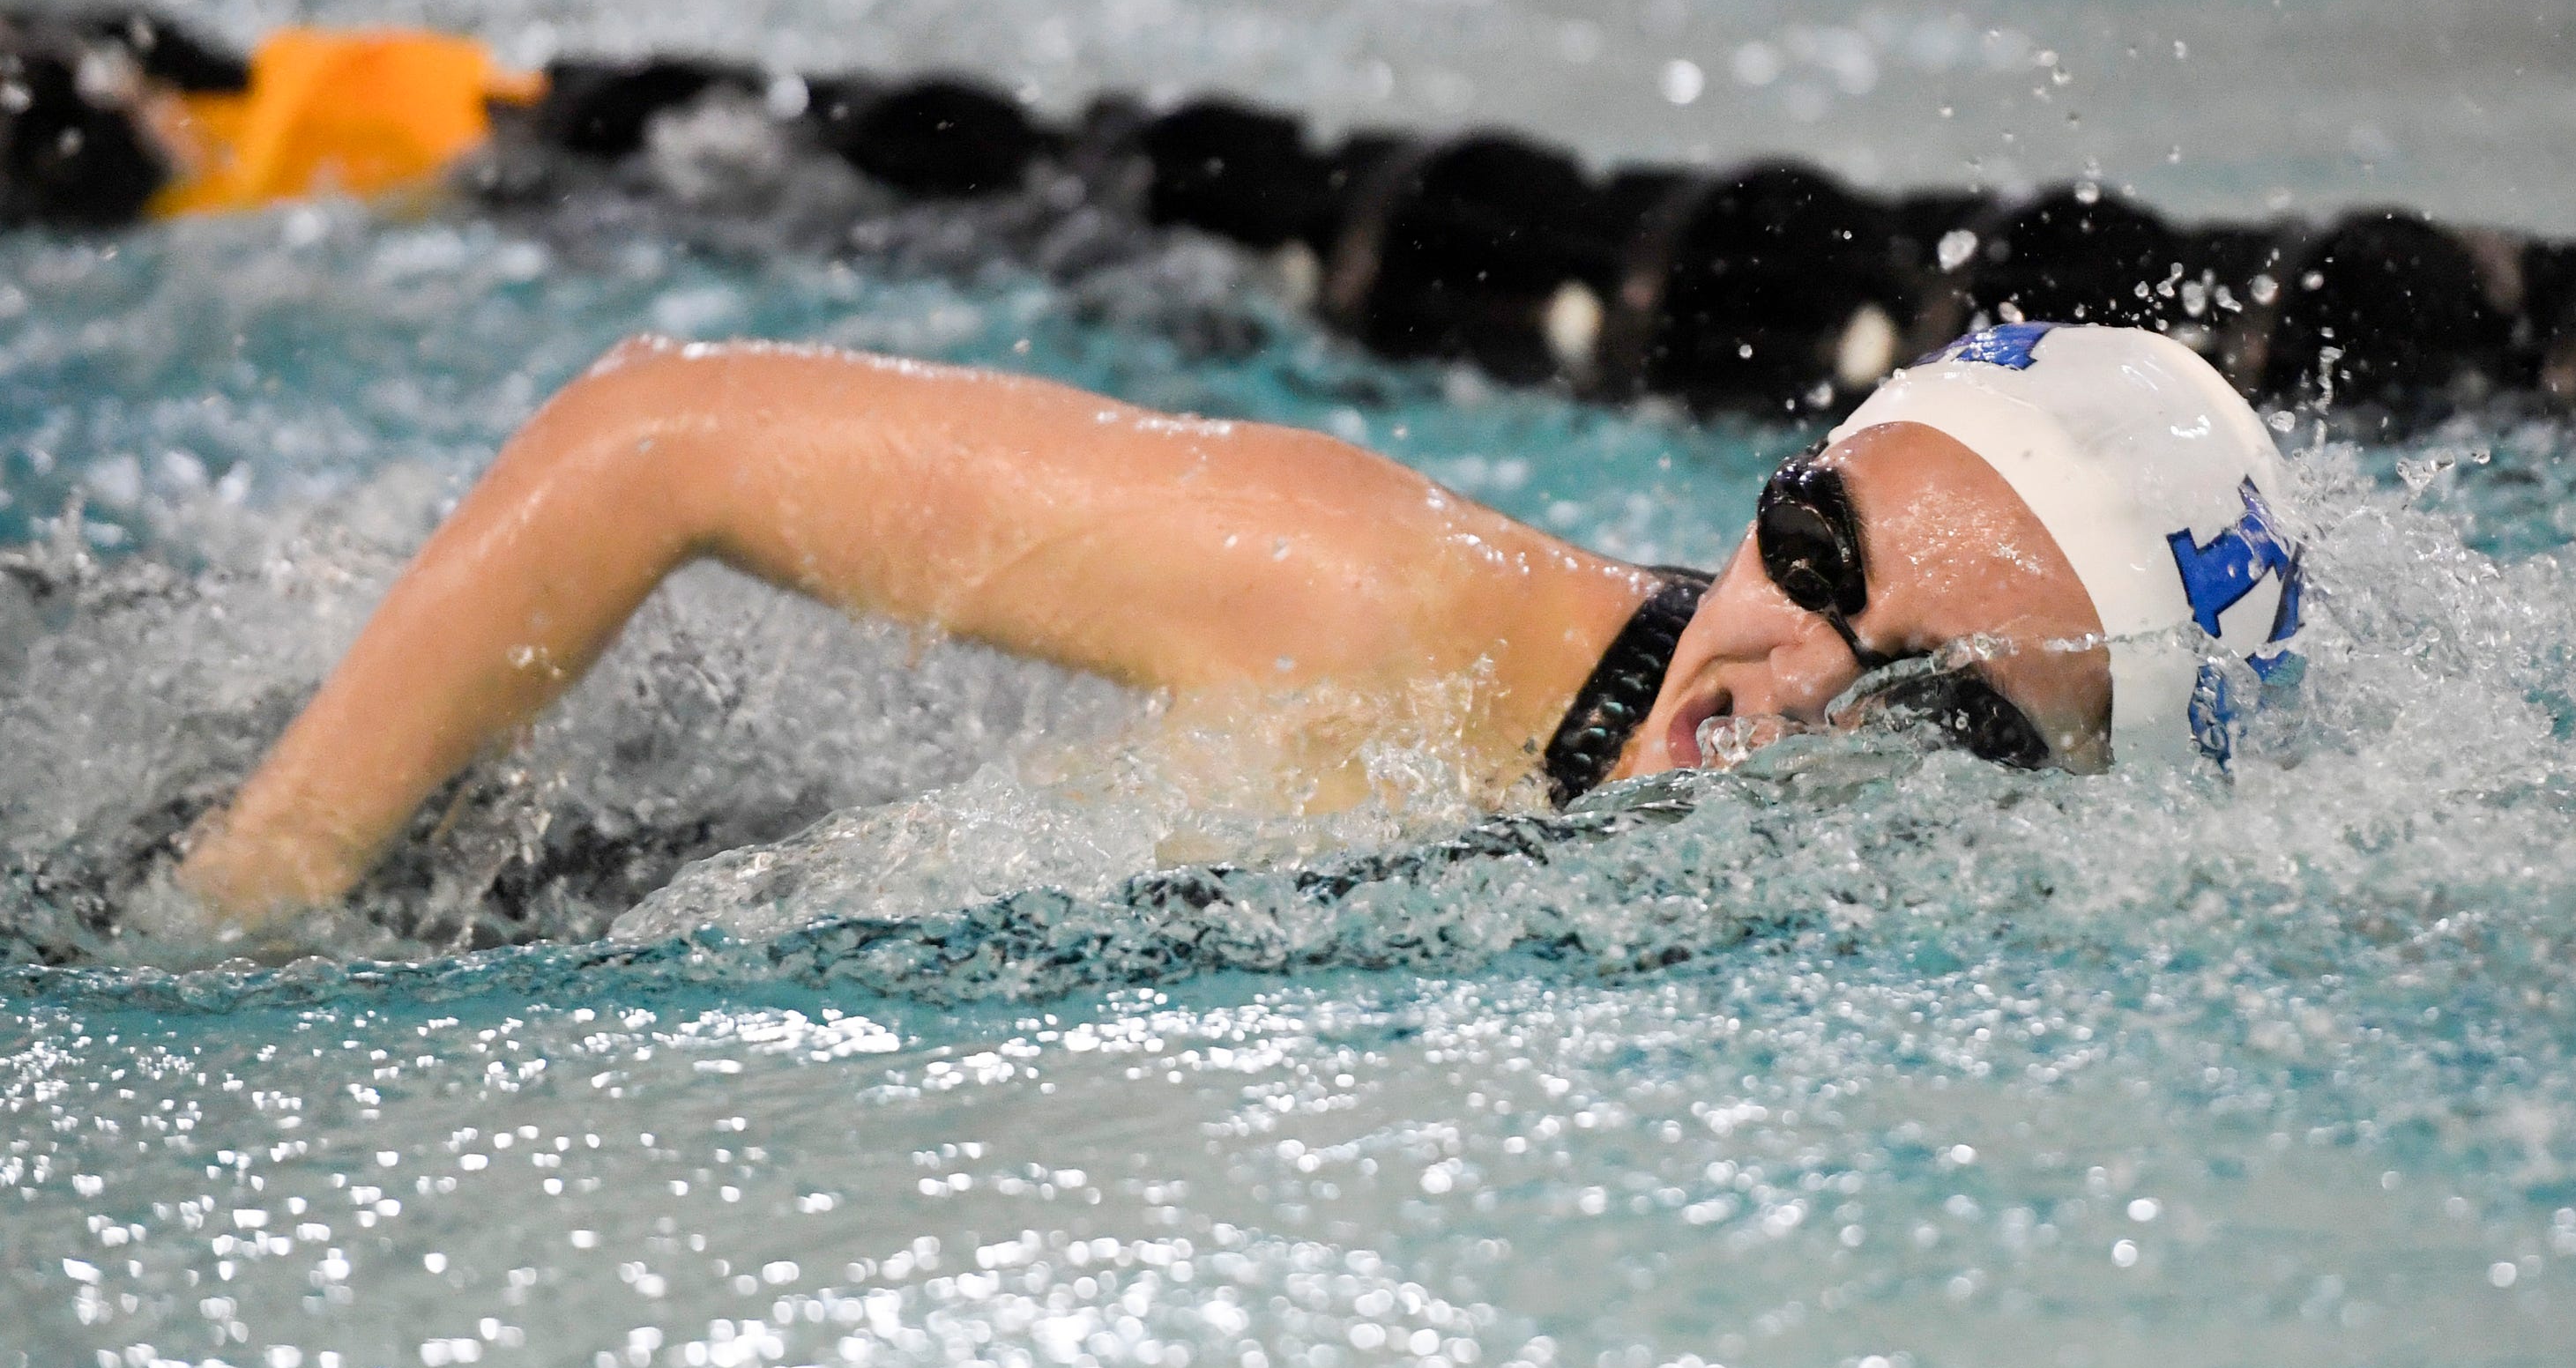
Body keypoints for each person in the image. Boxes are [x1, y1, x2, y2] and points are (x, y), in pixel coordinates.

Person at [172, 320, 2304, 929]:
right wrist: (248, 901)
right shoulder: (1386, 619)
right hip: (500, 854)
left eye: (1945, 713)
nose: (1797, 684)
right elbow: (651, 436)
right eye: (1816, 559)